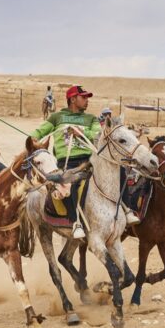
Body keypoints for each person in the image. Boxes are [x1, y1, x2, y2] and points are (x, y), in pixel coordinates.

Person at [30, 85, 125, 238]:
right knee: (70, 182)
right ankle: (76, 223)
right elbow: (39, 132)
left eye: (87, 97)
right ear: (73, 99)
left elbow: (97, 133)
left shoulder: (91, 118)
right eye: (84, 97)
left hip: (90, 159)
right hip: (67, 162)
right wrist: (32, 138)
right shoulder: (57, 117)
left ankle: (126, 210)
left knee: (120, 170)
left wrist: (81, 132)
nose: (87, 100)